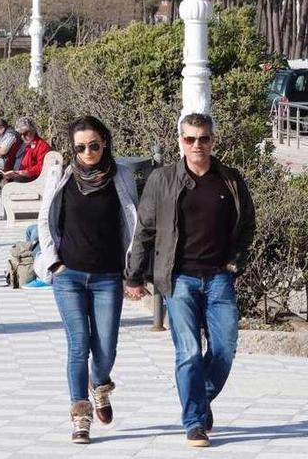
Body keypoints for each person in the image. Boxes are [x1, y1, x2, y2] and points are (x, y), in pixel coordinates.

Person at [124, 113, 256, 448]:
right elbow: (145, 230)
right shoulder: (163, 179)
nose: (197, 145)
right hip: (178, 278)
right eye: (190, 139)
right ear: (180, 141)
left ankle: (199, 398)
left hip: (219, 278)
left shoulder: (230, 179)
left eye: (204, 138)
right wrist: (135, 274)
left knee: (225, 349)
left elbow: (248, 225)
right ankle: (195, 422)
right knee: (188, 352)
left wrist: (234, 261)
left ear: (213, 140)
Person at [32, 116, 138, 444]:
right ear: (73, 149)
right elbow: (45, 220)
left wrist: (132, 270)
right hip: (70, 275)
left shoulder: (121, 175)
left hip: (108, 276)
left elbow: (131, 223)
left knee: (105, 347)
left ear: (104, 142)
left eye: (94, 145)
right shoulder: (61, 176)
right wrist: (54, 264)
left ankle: (100, 384)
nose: (88, 152)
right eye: (80, 147)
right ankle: (81, 416)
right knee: (78, 344)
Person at [0, 117, 52, 221]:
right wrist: (7, 171)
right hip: (14, 175)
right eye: (21, 133)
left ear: (33, 131)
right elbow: (10, 159)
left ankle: (11, 214)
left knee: (6, 184)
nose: (23, 136)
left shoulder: (41, 146)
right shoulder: (20, 143)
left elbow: (40, 168)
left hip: (27, 178)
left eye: (26, 133)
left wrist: (22, 172)